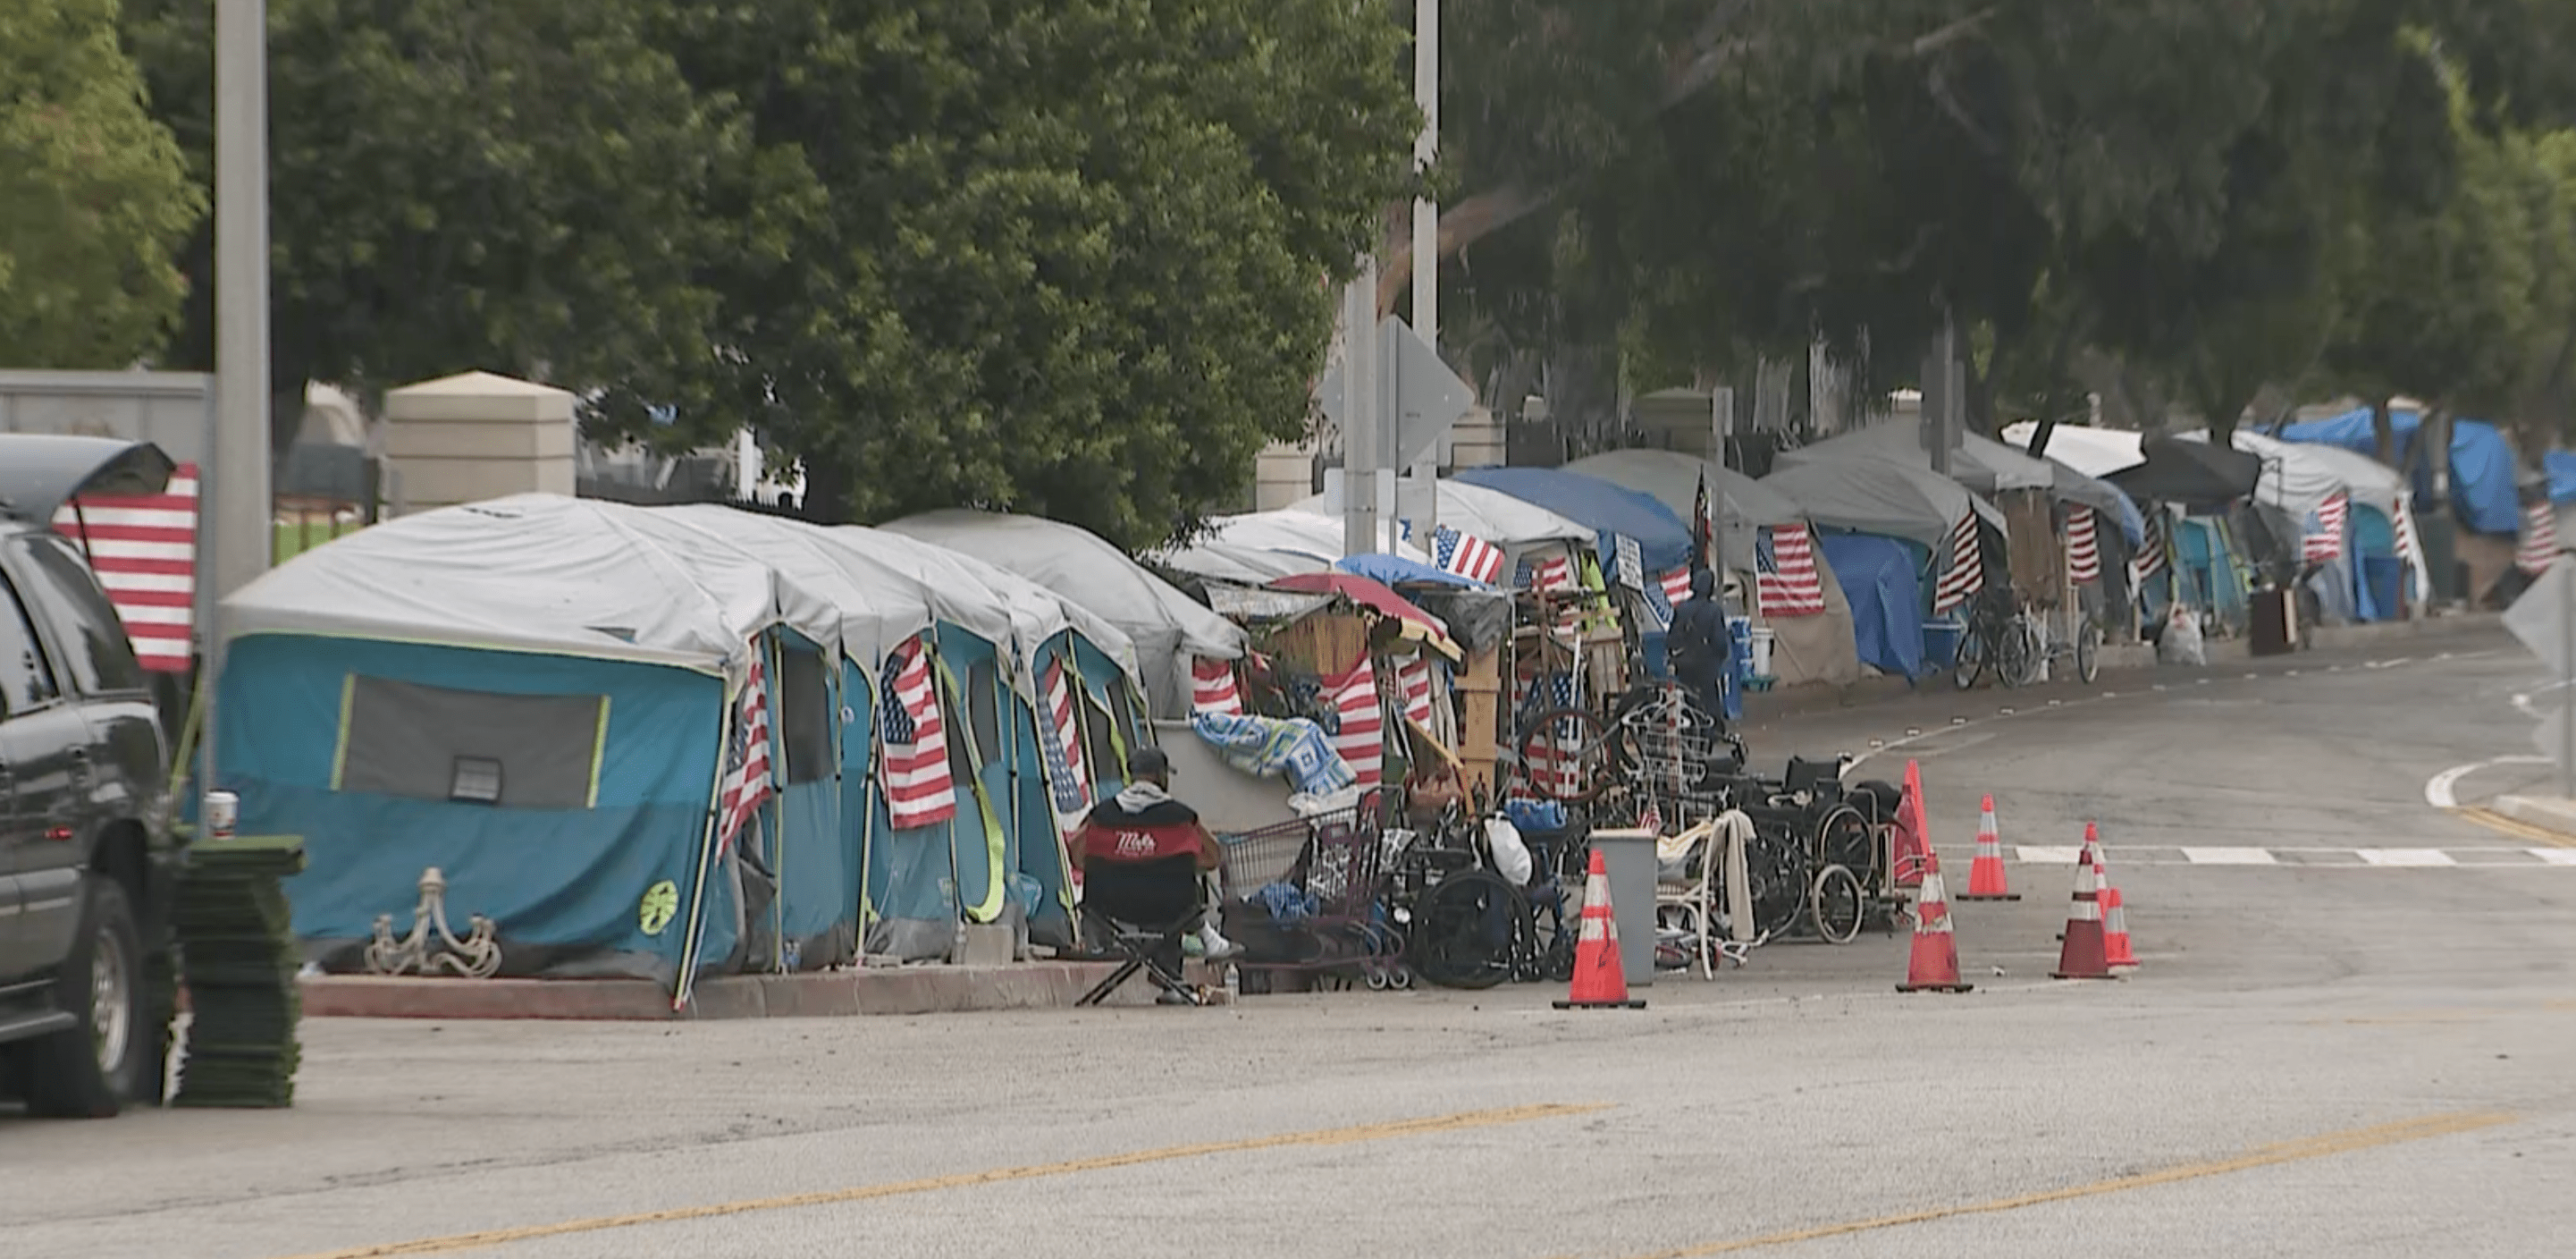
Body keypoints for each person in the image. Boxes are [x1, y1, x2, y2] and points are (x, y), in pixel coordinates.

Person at [1069, 747, 1241, 1000]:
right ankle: (1174, 976)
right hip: (1170, 907)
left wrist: (1130, 855)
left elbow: (1077, 856)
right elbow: (1213, 857)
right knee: (1176, 887)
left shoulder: (1100, 816)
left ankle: (1171, 982)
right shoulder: (1182, 817)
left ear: (1132, 777)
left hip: (1111, 907)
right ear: (1161, 777)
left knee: (1163, 888)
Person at [1666, 566, 1733, 731]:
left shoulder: (1681, 609)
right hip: (1707, 663)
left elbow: (1671, 640)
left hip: (1684, 663)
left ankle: (1691, 729)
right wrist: (1721, 656)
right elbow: (1719, 641)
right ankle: (1712, 730)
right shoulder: (1714, 610)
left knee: (1689, 698)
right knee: (1710, 698)